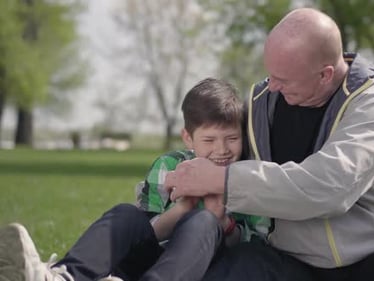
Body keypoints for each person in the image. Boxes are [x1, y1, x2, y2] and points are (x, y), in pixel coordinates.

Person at [165, 8, 374, 281]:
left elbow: (329, 187)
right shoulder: (259, 102)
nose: (271, 86)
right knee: (244, 259)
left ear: (325, 74)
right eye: (270, 74)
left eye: (282, 79)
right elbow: (214, 145)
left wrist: (221, 179)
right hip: (293, 264)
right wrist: (177, 180)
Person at [0, 78, 269, 281]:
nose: (221, 150)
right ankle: (65, 276)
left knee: (204, 221)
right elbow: (146, 233)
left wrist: (221, 221)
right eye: (209, 140)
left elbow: (250, 252)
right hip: (150, 261)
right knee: (126, 214)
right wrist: (183, 208)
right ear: (188, 137)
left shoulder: (246, 176)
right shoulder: (169, 166)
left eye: (231, 139)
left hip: (206, 269)